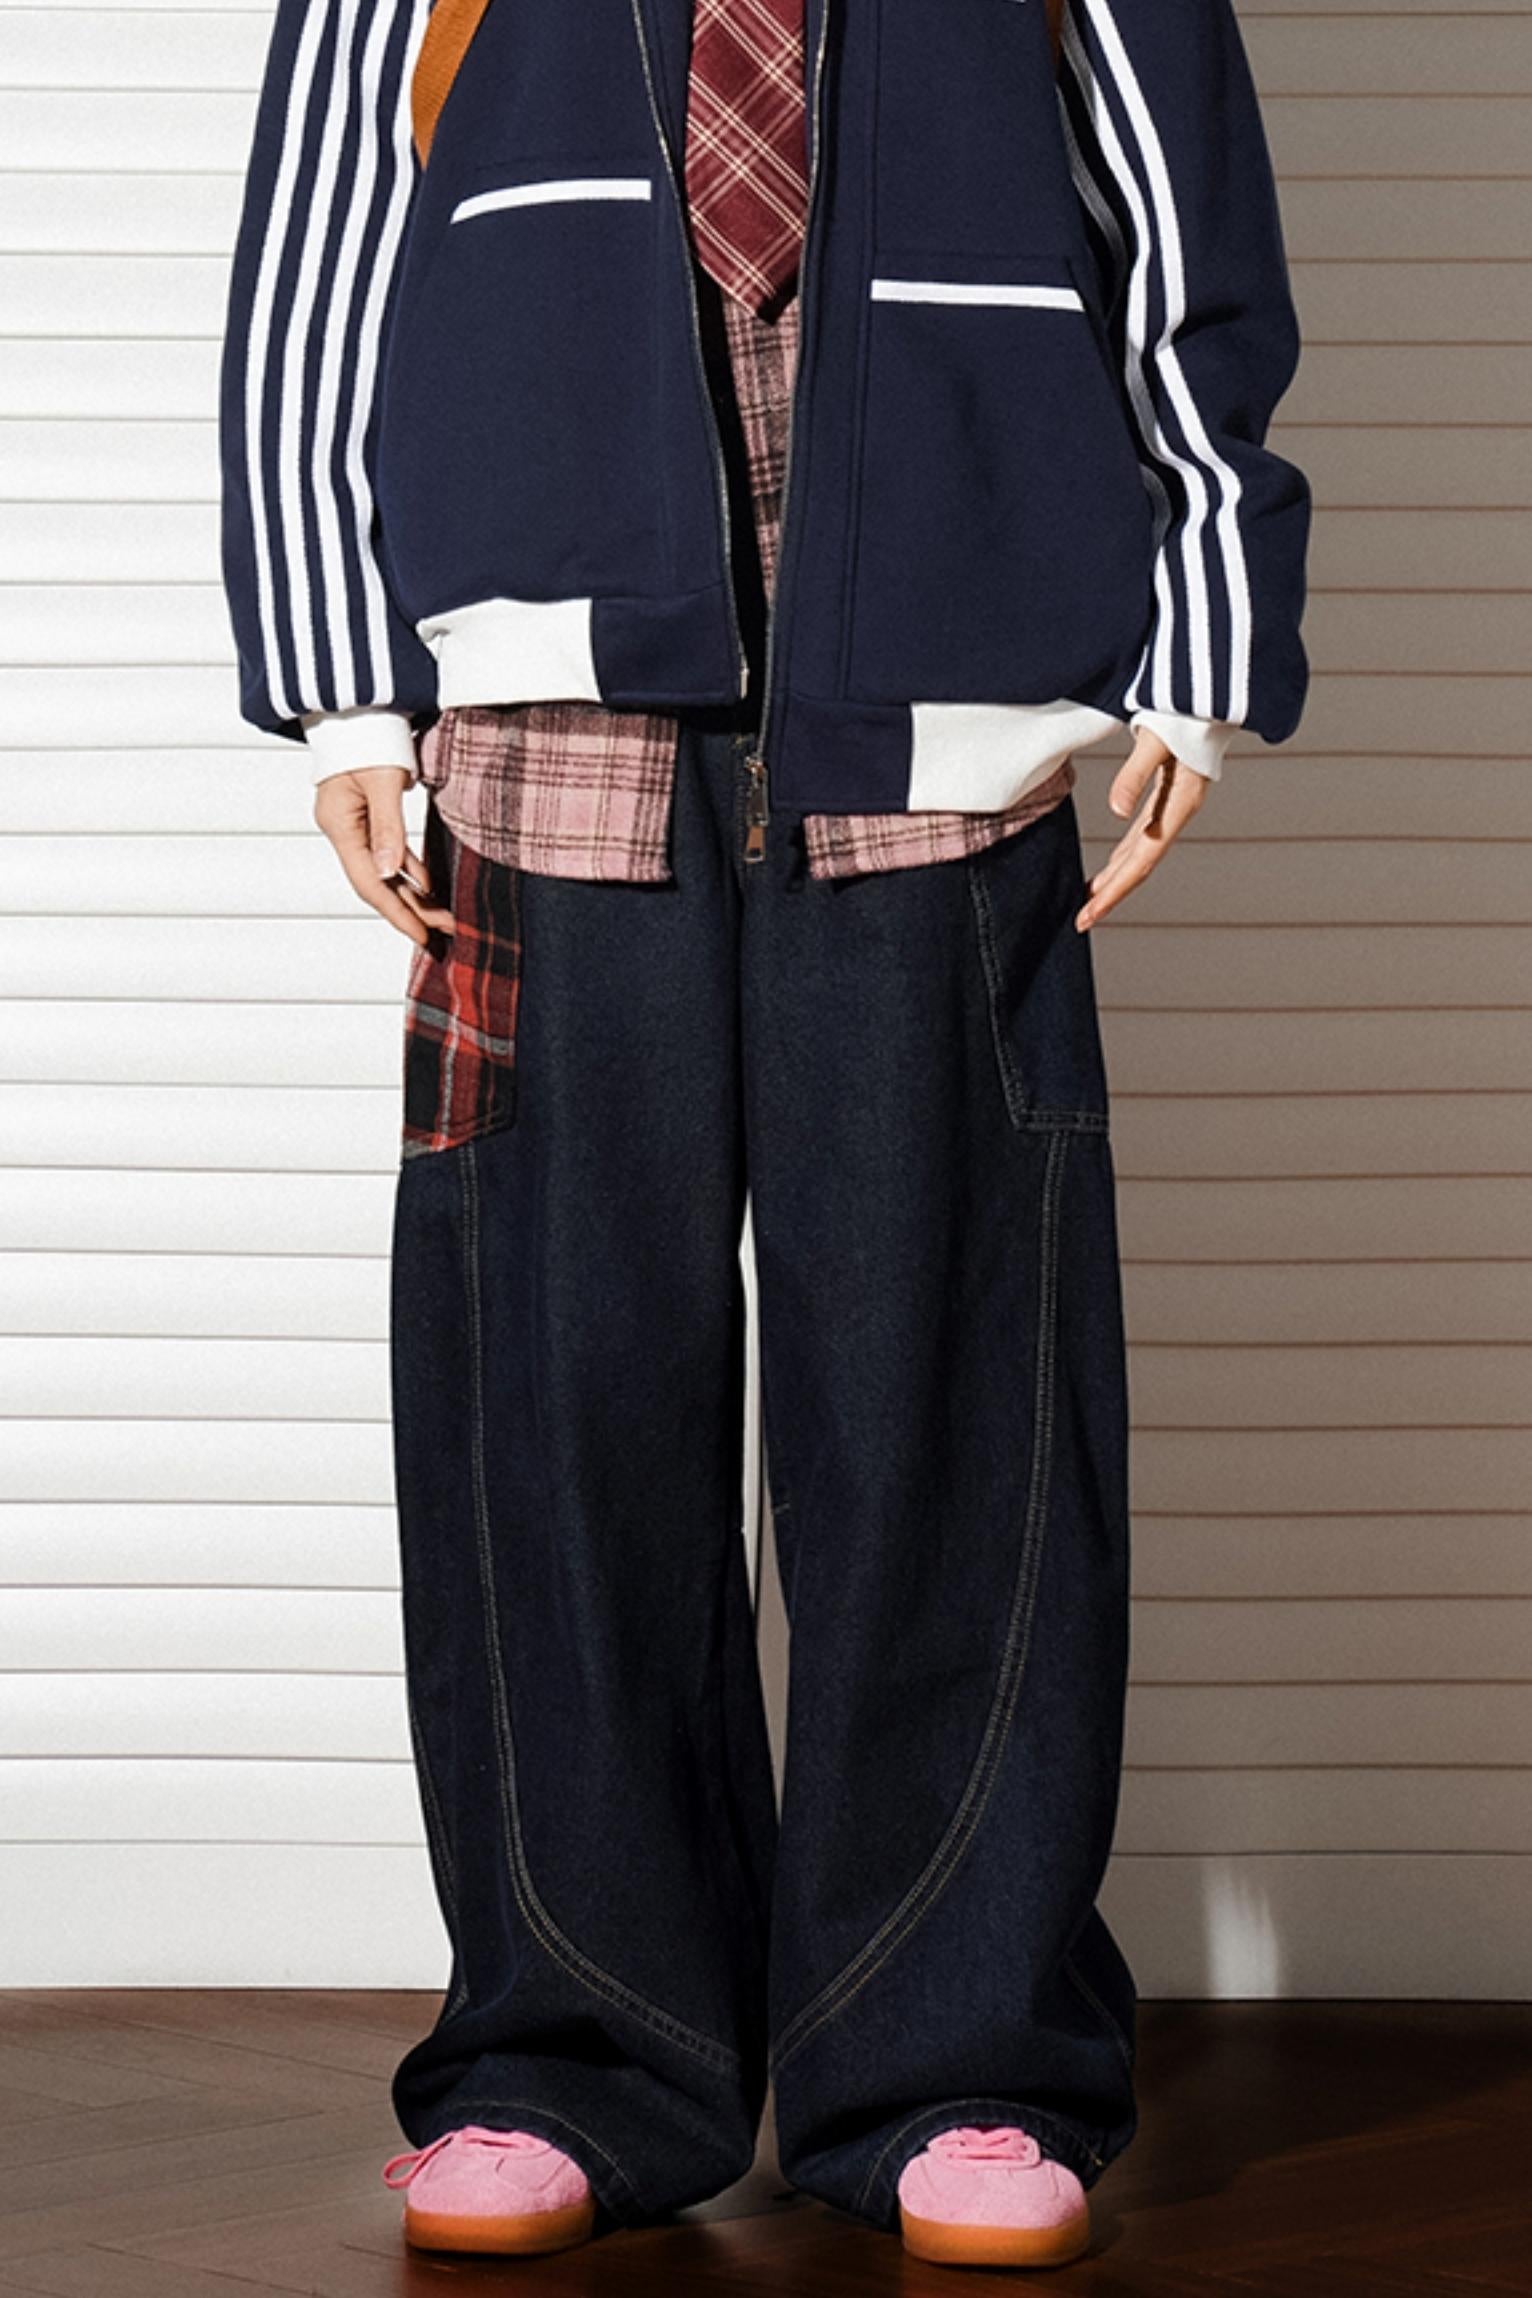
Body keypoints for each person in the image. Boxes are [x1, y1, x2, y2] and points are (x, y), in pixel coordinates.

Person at [218, 0, 1309, 2268]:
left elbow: (1181, 201)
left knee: (952, 1398)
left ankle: (961, 2056)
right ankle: (564, 2053)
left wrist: (1204, 632)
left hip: (943, 684)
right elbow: (321, 235)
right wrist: (338, 679)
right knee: (555, 1402)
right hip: (546, 708)